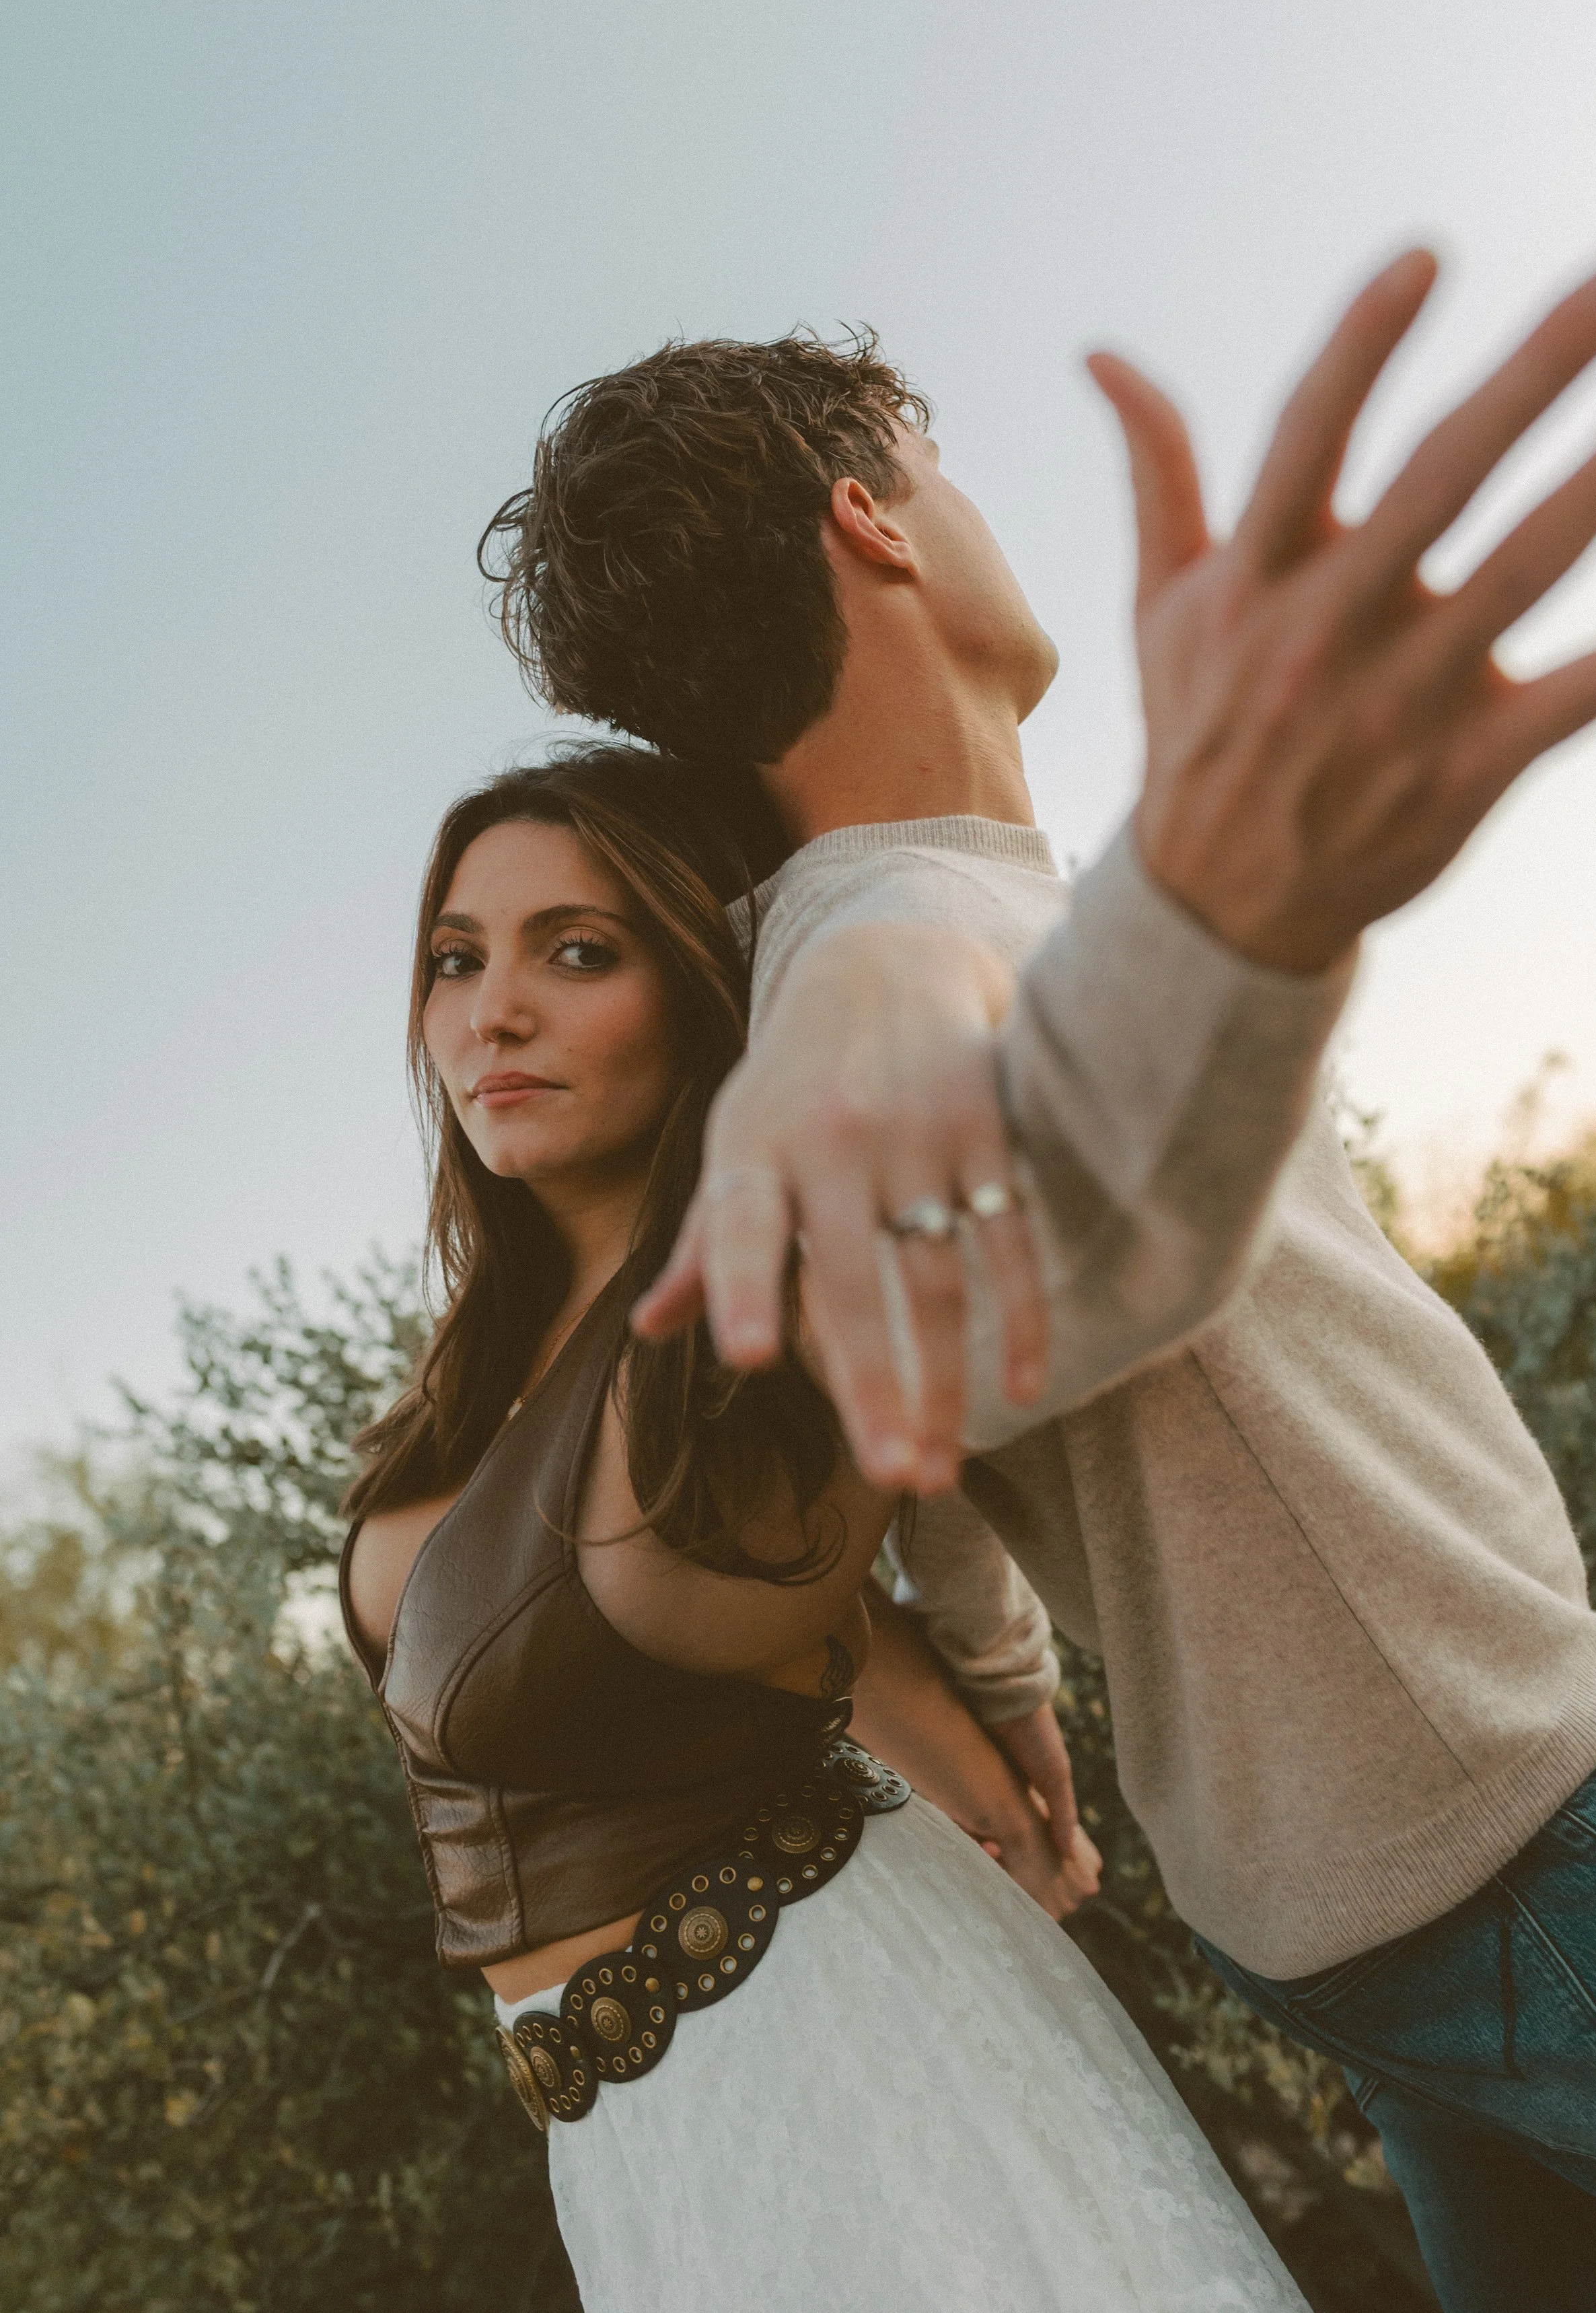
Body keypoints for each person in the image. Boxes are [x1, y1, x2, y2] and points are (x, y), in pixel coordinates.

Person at [480, 251, 1596, 2313]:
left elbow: (967, 1354)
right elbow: (1011, 1128)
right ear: (870, 513)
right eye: (933, 463)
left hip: (1357, 1899)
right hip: (1516, 1848)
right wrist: (1225, 909)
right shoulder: (883, 937)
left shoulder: (890, 923)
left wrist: (1008, 1674)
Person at [338, 746, 1308, 2313]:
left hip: (850, 2062)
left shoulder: (769, 1277)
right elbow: (819, 1648)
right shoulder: (474, 1375)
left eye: (575, 951)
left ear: (703, 989)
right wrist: (990, 1685)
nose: (488, 1012)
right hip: (638, 2143)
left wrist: (897, 968)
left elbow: (993, 1075)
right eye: (457, 959)